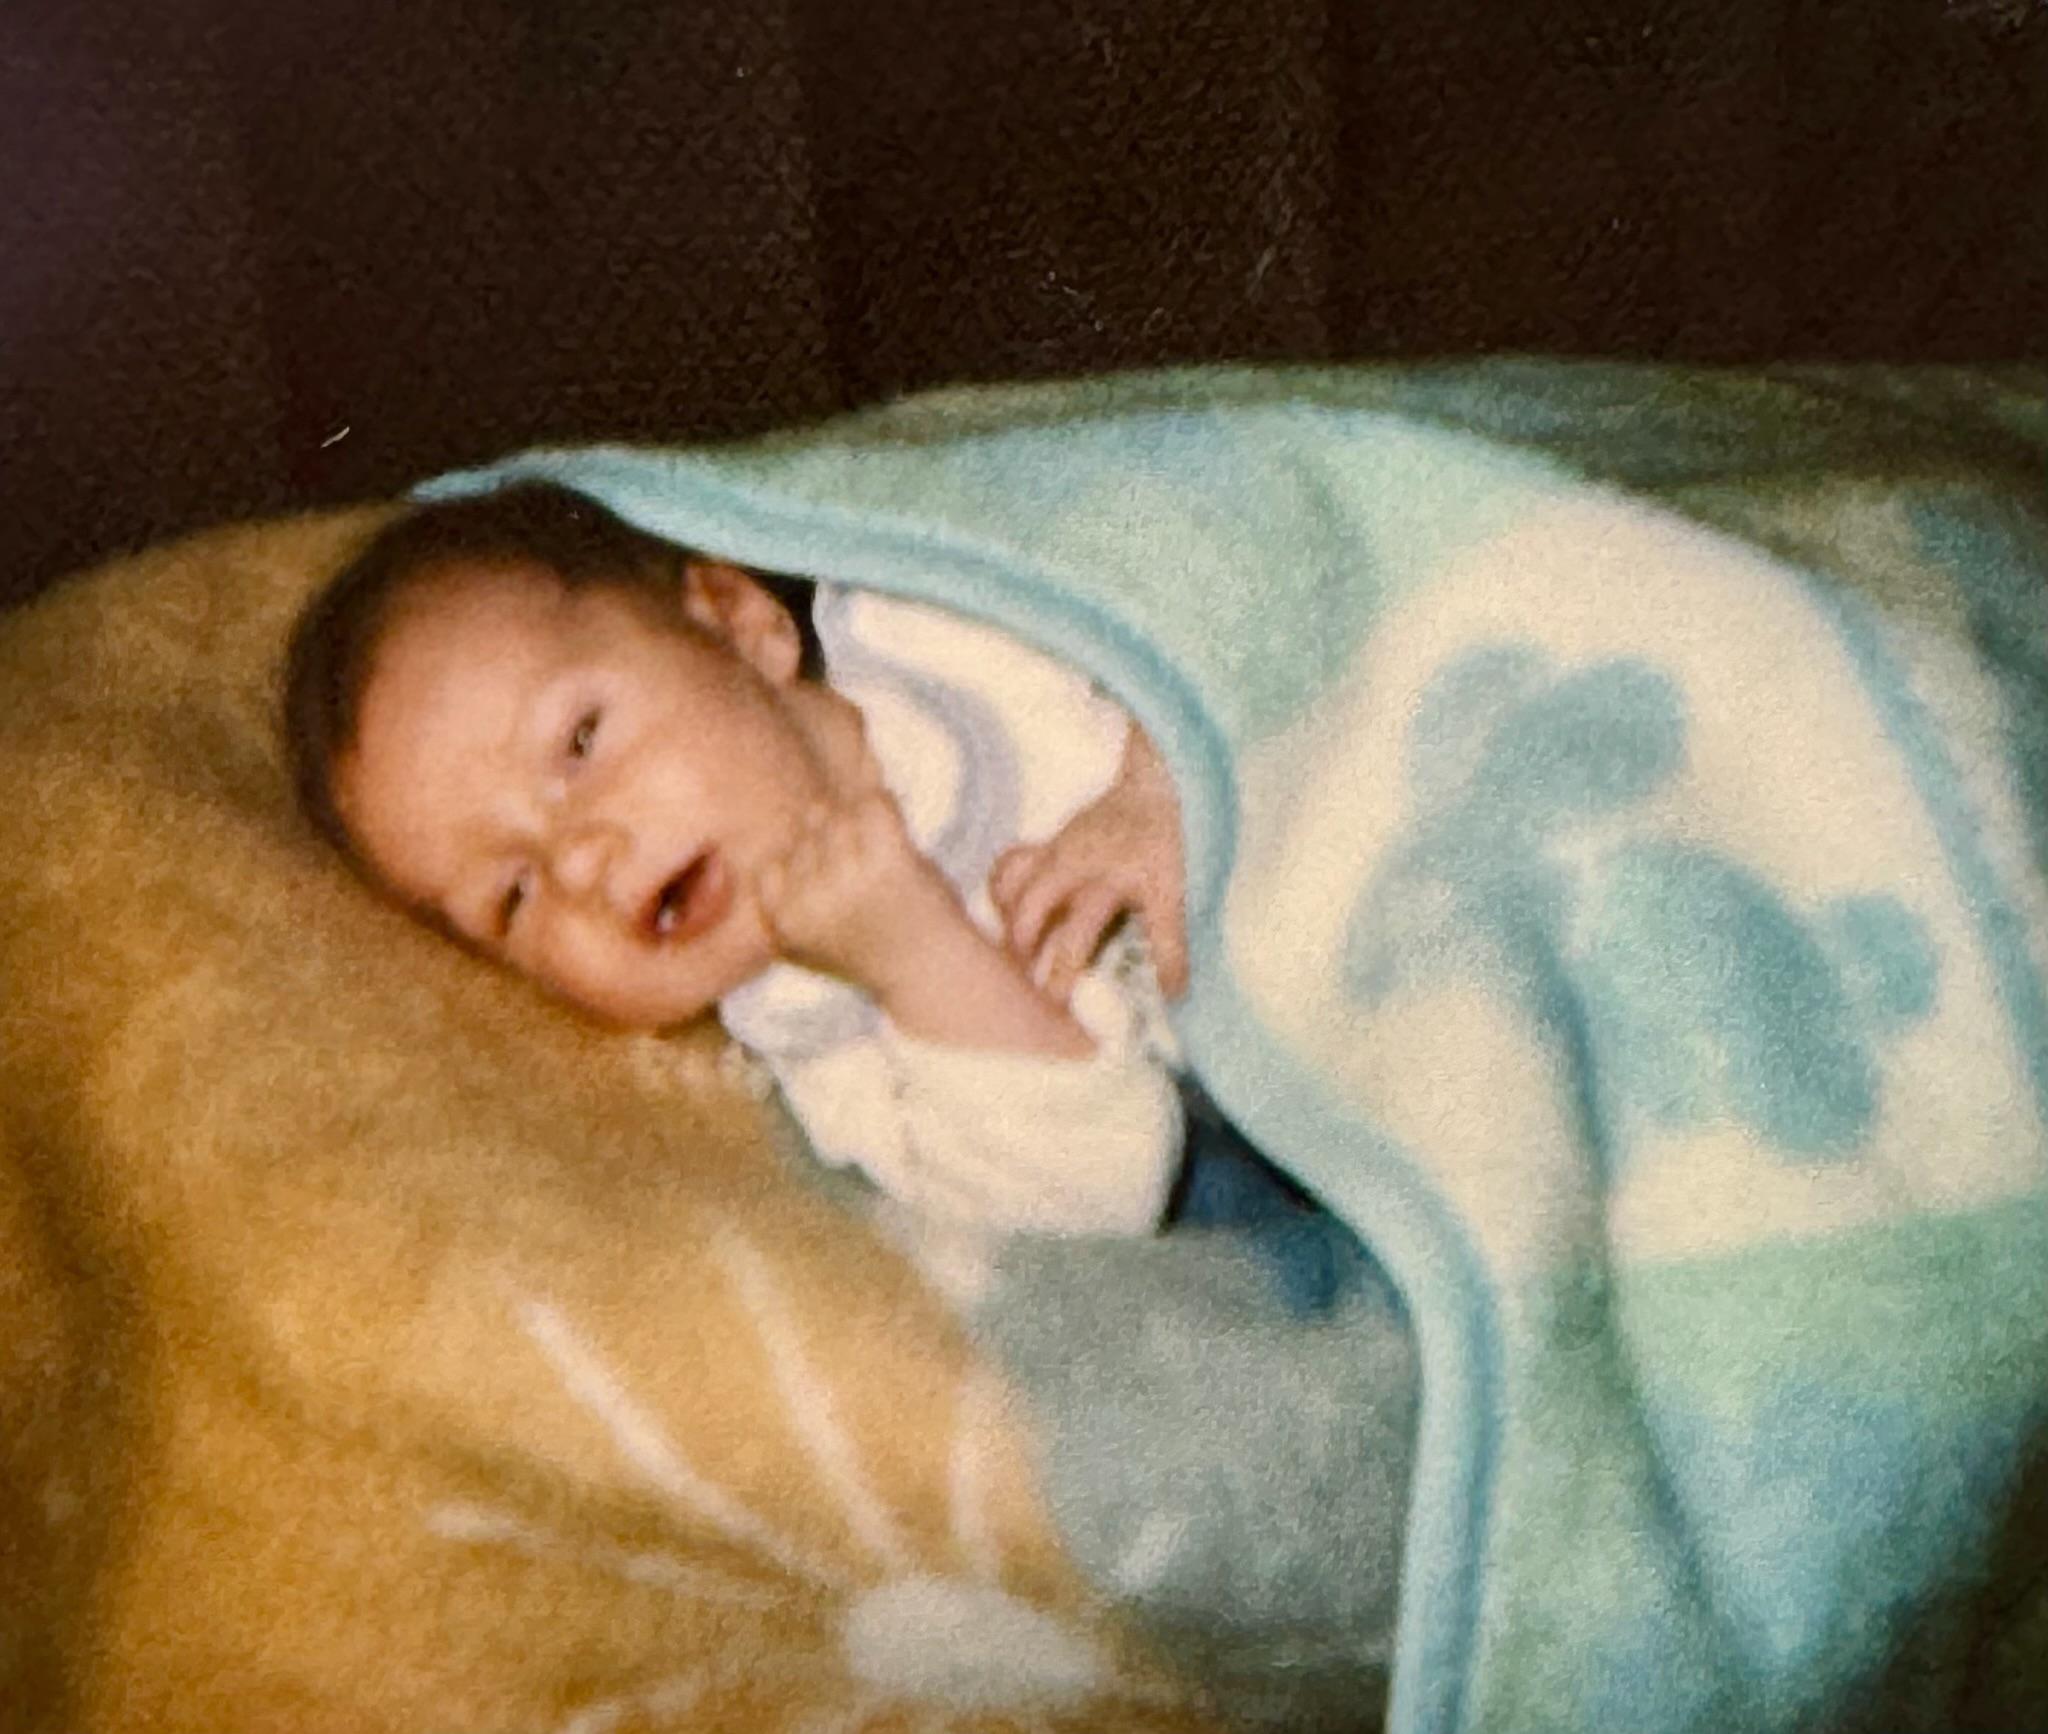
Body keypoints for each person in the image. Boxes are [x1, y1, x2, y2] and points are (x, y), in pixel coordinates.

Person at [286, 482, 1342, 1271]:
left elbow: (1222, 545)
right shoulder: (823, 1044)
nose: (574, 860)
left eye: (579, 741)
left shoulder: (939, 622)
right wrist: (915, 960)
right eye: (509, 897)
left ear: (737, 622)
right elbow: (1092, 1193)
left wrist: (1162, 779)